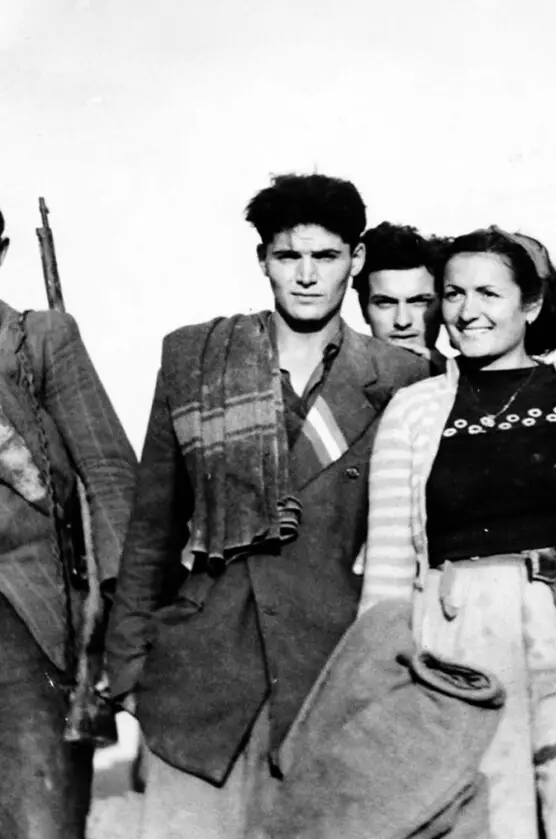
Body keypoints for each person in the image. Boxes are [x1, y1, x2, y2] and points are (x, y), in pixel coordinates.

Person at [103, 173, 430, 838]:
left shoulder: (402, 377)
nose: (306, 276)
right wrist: (129, 667)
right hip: (202, 678)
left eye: (326, 256)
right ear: (263, 261)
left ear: (356, 259)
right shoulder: (198, 361)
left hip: (331, 678)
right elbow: (152, 530)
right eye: (288, 256)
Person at [359, 227, 556, 839]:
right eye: (453, 294)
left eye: (488, 293)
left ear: (531, 305)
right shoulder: (414, 409)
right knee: (481, 824)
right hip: (457, 640)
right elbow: (388, 570)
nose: (467, 311)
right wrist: (389, 676)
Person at [0, 207, 138, 839]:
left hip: (26, 624)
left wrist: (123, 616)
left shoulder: (38, 340)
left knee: (39, 822)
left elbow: (108, 474)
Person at [354, 221, 447, 372]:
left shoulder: (471, 382)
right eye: (385, 303)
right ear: (363, 308)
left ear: (443, 308)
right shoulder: (338, 380)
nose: (402, 322)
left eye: (419, 302)